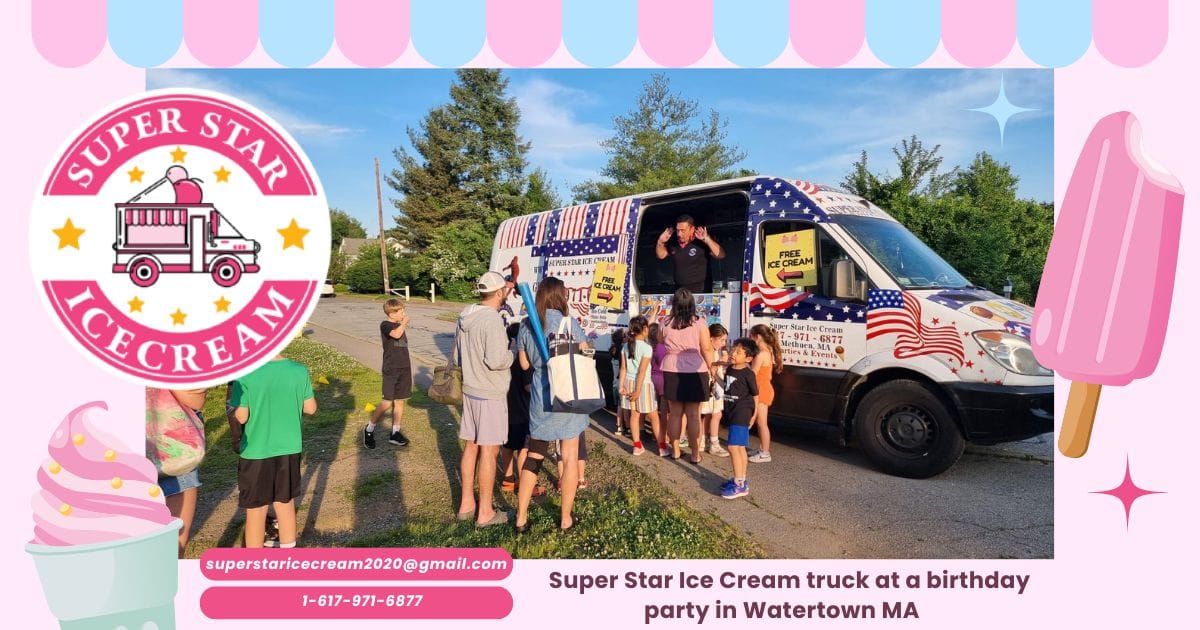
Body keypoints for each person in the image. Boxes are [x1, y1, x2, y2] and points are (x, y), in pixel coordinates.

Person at [515, 277, 590, 533]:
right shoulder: (569, 323)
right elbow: (585, 353)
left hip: (540, 402)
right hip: (567, 398)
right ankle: (565, 518)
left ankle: (521, 517)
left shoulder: (526, 326)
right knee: (569, 459)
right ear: (561, 296)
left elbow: (524, 365)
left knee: (534, 457)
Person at [230, 354, 317, 549]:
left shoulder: (245, 373)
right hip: (289, 449)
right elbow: (311, 408)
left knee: (256, 510)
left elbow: (242, 417)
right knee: (285, 504)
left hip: (255, 452)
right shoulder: (299, 370)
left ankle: (255, 567)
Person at [454, 271, 514, 528]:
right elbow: (497, 360)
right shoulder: (492, 320)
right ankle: (486, 512)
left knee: (471, 446)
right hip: (490, 393)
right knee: (489, 452)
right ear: (499, 293)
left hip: (470, 389)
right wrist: (513, 351)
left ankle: (467, 504)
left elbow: (457, 355)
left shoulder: (466, 314)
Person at [150, 388, 207, 558]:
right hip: (174, 459)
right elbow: (195, 400)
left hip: (174, 462)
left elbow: (196, 400)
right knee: (171, 554)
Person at [660, 289, 716, 463]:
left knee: (675, 413)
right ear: (692, 304)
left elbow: (660, 340)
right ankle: (694, 454)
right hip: (695, 369)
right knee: (693, 415)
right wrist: (711, 367)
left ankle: (675, 451)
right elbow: (706, 348)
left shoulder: (665, 321)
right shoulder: (699, 322)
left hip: (671, 368)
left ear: (674, 304)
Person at [500, 323, 544, 498]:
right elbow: (528, 387)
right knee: (524, 449)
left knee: (508, 446)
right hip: (524, 411)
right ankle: (526, 485)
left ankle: (508, 479)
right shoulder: (524, 361)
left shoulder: (506, 358)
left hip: (507, 409)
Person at [363, 299, 411, 449]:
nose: (404, 313)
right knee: (386, 402)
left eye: (403, 310)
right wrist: (404, 323)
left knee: (400, 401)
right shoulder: (386, 325)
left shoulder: (399, 325)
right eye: (401, 311)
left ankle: (395, 433)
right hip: (391, 369)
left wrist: (402, 324)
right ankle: (369, 429)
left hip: (404, 368)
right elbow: (396, 335)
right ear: (392, 313)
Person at [721, 339, 760, 499]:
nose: (733, 353)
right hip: (732, 411)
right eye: (733, 350)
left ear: (749, 358)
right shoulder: (730, 369)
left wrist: (754, 415)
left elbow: (756, 396)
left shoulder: (748, 374)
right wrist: (714, 375)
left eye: (738, 352)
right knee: (740, 448)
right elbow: (727, 386)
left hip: (742, 412)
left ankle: (739, 485)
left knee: (733, 447)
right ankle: (740, 479)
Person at [618, 316, 661, 456]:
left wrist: (621, 386)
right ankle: (662, 446)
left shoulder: (625, 346)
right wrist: (637, 391)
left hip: (628, 383)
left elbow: (623, 368)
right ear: (645, 329)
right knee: (653, 415)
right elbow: (642, 371)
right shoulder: (647, 348)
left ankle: (637, 446)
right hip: (643, 385)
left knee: (634, 415)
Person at [655, 214, 725, 293]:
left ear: (692, 229)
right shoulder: (673, 243)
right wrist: (660, 242)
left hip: (700, 292)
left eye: (683, 230)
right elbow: (661, 255)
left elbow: (721, 255)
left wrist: (707, 239)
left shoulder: (701, 242)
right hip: (680, 291)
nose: (679, 234)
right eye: (678, 230)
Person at [749, 324, 784, 463]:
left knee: (762, 422)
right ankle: (762, 448)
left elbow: (753, 374)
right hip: (764, 388)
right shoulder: (767, 350)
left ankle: (765, 452)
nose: (750, 339)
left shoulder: (761, 354)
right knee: (760, 422)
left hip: (761, 390)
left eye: (751, 336)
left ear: (757, 337)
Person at [700, 323, 730, 457]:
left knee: (707, 414)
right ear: (711, 338)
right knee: (716, 414)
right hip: (712, 386)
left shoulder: (713, 350)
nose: (723, 344)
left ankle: (701, 440)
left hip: (715, 385)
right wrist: (722, 361)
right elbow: (711, 369)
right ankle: (714, 443)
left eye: (725, 340)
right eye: (722, 340)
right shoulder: (709, 351)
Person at [649, 322, 671, 456]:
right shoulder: (663, 347)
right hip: (663, 378)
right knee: (664, 411)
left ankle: (655, 432)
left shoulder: (651, 347)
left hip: (653, 378)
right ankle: (664, 434)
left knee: (654, 409)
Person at [610, 329, 630, 437]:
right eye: (626, 335)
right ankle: (627, 427)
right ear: (623, 339)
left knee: (619, 406)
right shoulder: (623, 351)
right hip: (622, 382)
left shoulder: (613, 352)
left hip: (615, 383)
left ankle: (619, 426)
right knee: (625, 407)